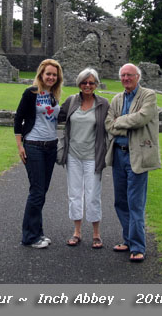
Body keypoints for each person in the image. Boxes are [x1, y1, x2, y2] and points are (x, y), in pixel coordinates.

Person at [105, 63, 161, 262]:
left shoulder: (148, 95)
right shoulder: (117, 98)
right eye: (123, 75)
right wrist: (123, 124)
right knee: (120, 202)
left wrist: (120, 121)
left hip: (137, 156)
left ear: (138, 77)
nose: (126, 78)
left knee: (135, 203)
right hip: (119, 155)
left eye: (129, 75)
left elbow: (141, 119)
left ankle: (138, 247)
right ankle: (128, 241)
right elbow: (108, 124)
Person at [14, 59, 64, 249]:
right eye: (48, 74)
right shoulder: (31, 93)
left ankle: (37, 232)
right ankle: (29, 237)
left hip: (50, 147)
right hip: (34, 145)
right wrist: (20, 146)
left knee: (41, 191)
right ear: (41, 74)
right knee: (36, 191)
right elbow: (19, 118)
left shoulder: (54, 95)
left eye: (54, 74)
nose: (51, 77)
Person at [58, 68, 109, 249]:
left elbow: (111, 125)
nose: (88, 85)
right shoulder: (71, 101)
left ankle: (96, 234)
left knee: (93, 195)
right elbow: (56, 116)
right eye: (84, 82)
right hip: (73, 155)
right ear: (79, 84)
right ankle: (77, 232)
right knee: (74, 194)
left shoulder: (103, 104)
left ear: (96, 84)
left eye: (91, 82)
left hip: (92, 156)